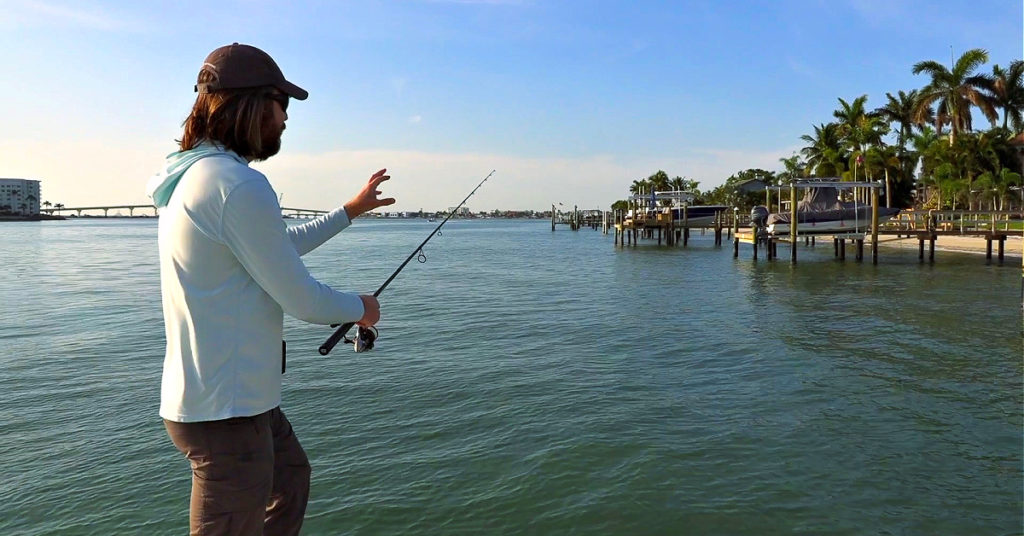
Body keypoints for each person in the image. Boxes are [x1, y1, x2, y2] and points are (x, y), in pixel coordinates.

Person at [146, 43, 395, 535]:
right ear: (253, 104)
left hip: (231, 400)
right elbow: (301, 298)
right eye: (281, 104)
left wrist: (350, 210)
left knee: (291, 478)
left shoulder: (194, 177)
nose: (285, 119)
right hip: (228, 413)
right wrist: (361, 308)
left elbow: (277, 247)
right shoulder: (237, 185)